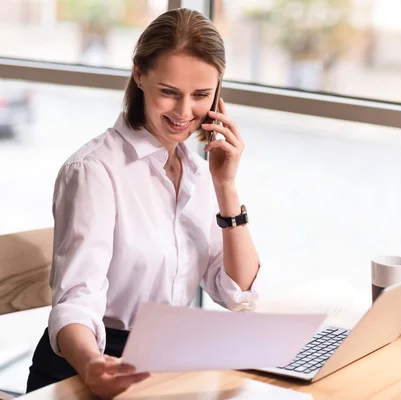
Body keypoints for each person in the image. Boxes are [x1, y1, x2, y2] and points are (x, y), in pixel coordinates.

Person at [26, 8, 260, 398]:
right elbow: (75, 300)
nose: (184, 113)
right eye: (169, 92)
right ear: (139, 75)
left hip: (168, 363)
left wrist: (227, 187)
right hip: (93, 366)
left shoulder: (200, 175)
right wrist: (91, 364)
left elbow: (237, 293)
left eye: (201, 95)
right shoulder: (94, 172)